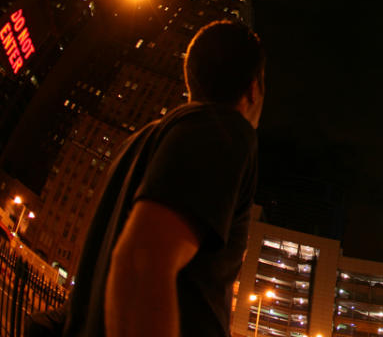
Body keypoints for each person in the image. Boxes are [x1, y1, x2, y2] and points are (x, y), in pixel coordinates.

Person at [60, 19, 266, 337]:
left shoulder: (139, 143)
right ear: (253, 89)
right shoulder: (222, 130)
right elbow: (143, 264)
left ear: (190, 80)